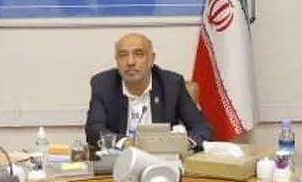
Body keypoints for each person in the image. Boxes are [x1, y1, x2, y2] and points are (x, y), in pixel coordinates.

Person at [84, 33, 212, 150]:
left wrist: (184, 143)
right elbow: (94, 129)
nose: (130, 62)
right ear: (117, 61)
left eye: (138, 54)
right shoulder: (103, 84)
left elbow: (202, 128)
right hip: (121, 158)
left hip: (164, 158)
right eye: (123, 55)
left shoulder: (171, 84)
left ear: (151, 59)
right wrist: (125, 143)